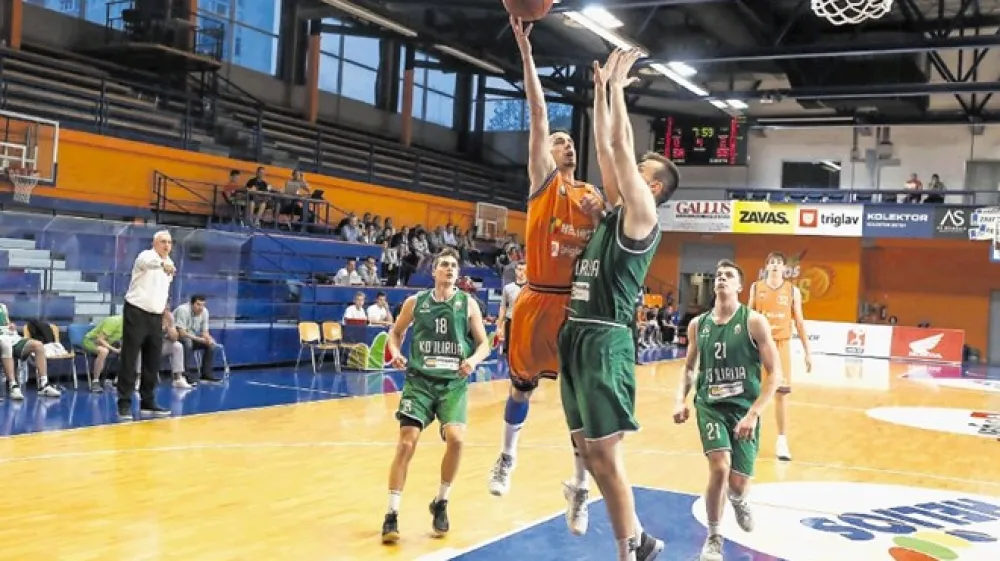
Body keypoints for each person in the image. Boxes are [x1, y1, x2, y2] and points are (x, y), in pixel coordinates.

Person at [558, 47, 678, 560]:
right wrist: (602, 90)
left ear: (651, 186)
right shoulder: (615, 211)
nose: (627, 168)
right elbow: (609, 153)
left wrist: (616, 90)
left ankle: (631, 551)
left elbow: (617, 145)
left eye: (640, 167)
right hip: (577, 332)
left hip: (605, 338)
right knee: (589, 449)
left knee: (606, 454)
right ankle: (640, 541)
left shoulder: (642, 215)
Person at [488, 18, 605, 537]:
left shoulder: (592, 200)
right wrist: (525, 49)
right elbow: (537, 112)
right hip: (536, 301)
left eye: (569, 142)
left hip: (574, 307)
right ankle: (506, 456)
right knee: (520, 393)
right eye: (559, 141)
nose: (566, 145)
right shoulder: (542, 185)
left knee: (576, 411)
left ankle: (579, 489)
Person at [673, 260, 782, 561]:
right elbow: (689, 367)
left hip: (744, 410)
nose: (721, 278)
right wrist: (680, 399)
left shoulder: (754, 322)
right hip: (711, 406)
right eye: (718, 275)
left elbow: (775, 375)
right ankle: (714, 537)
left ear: (739, 286)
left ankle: (738, 498)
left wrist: (754, 413)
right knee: (719, 466)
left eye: (729, 275)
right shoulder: (699, 325)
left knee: (737, 481)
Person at [381, 248, 491, 544]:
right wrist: (395, 353)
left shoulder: (467, 303)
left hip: (452, 384)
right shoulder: (415, 302)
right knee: (406, 443)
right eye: (444, 264)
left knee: (457, 439)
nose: (449, 269)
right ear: (434, 271)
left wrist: (474, 361)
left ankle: (441, 501)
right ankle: (391, 514)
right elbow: (395, 333)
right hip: (419, 381)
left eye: (454, 265)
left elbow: (485, 345)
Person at [747, 252, 812, 461]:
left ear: (785, 269)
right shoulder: (756, 288)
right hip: (759, 345)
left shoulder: (792, 291)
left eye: (778, 263)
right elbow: (748, 316)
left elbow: (800, 322)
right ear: (766, 267)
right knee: (753, 392)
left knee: (781, 395)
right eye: (771, 263)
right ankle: (749, 437)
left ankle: (782, 441)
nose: (775, 266)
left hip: (781, 346)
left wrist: (807, 352)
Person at [117, 230, 174, 420]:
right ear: (155, 243)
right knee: (130, 357)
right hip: (136, 311)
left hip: (156, 316)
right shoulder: (146, 255)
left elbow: (162, 291)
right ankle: (124, 403)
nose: (166, 245)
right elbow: (148, 264)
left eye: (169, 242)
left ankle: (147, 402)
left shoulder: (170, 263)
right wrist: (162, 264)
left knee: (153, 360)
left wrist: (165, 313)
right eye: (163, 242)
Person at [496, 261, 526, 357]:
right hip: (511, 321)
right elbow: (503, 307)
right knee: (509, 351)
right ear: (516, 271)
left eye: (525, 270)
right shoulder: (508, 288)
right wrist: (499, 326)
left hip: (526, 322)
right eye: (520, 269)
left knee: (524, 351)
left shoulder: (531, 289)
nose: (522, 273)